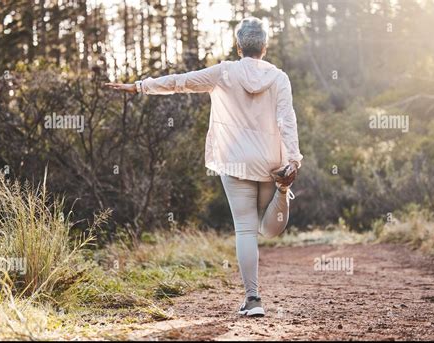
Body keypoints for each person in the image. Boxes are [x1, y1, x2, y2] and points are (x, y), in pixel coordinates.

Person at [105, 17, 303, 317]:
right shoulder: (279, 78)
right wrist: (293, 160)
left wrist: (140, 86)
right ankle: (283, 188)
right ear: (264, 46)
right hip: (270, 163)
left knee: (247, 230)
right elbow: (287, 120)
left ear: (239, 47)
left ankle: (253, 300)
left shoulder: (224, 72)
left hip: (236, 163)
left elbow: (181, 81)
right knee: (268, 229)